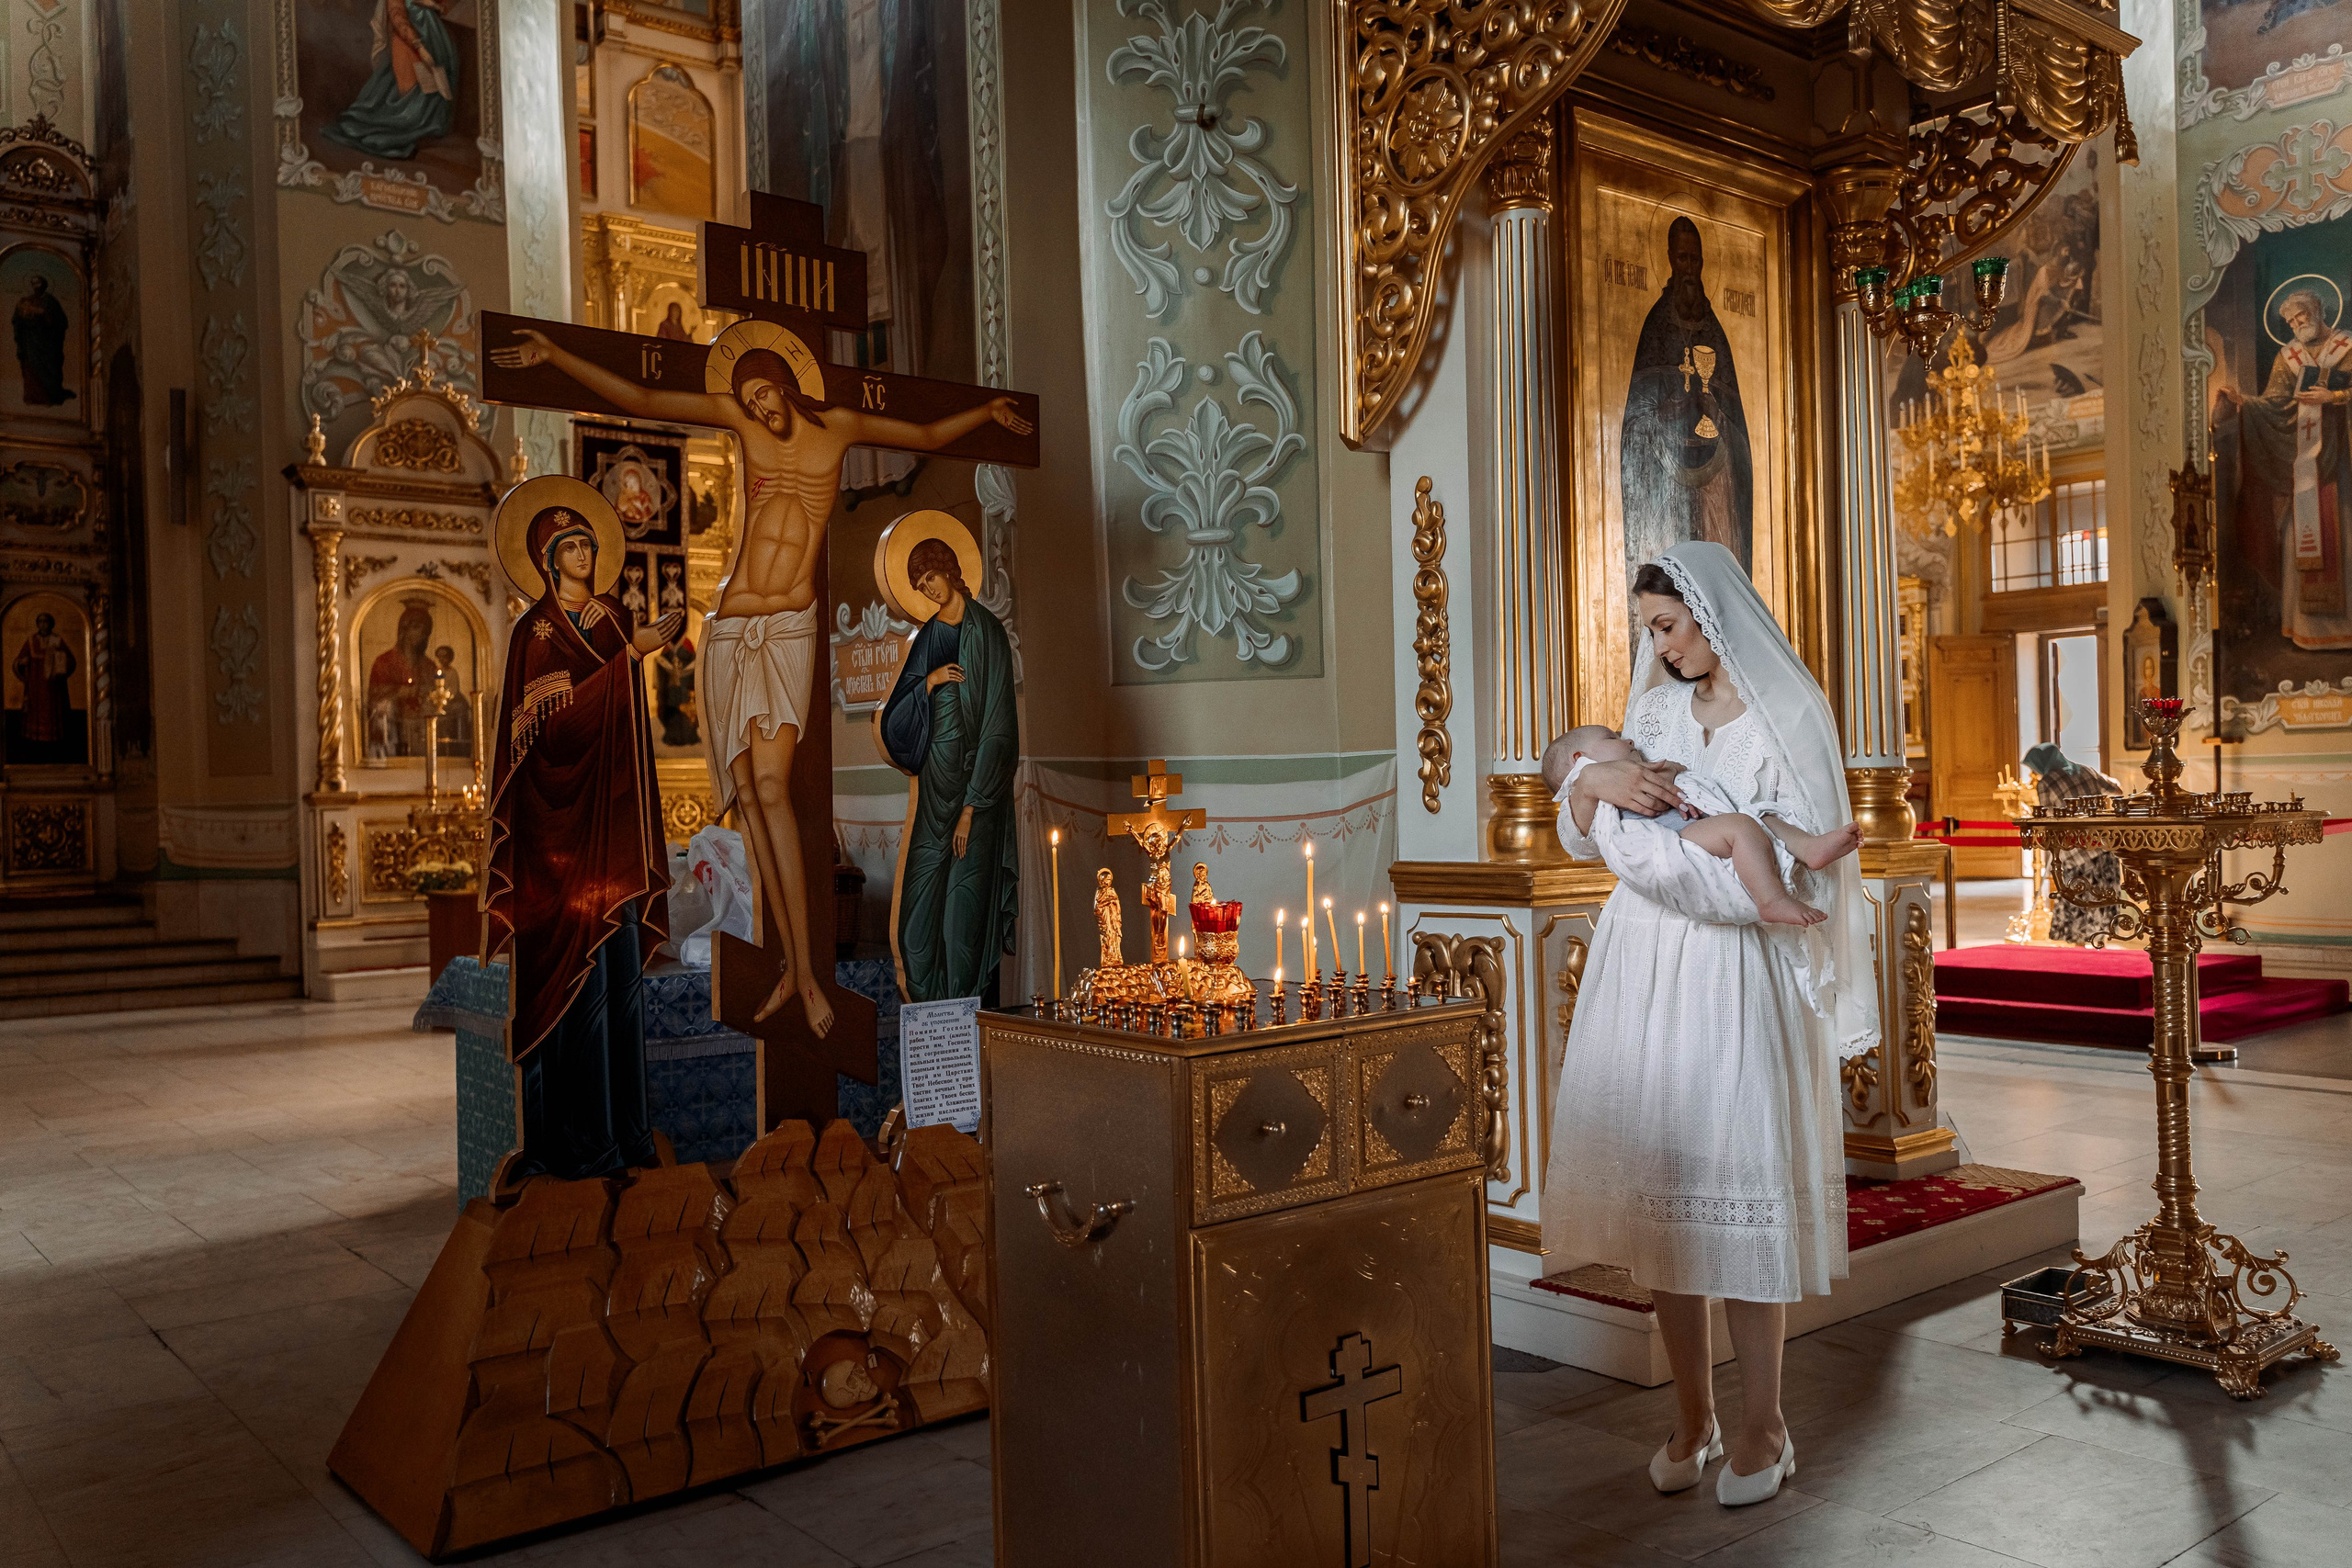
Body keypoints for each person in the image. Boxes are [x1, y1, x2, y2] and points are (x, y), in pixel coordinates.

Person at [490, 321, 1032, 1033]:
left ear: (786, 383)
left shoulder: (835, 426)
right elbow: (645, 395)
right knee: (748, 795)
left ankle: (807, 973)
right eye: (747, 396)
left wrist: (988, 414)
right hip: (733, 625)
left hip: (785, 626)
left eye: (766, 392)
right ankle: (793, 968)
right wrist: (555, 355)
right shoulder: (740, 425)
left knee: (774, 787)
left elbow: (924, 432)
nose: (760, 407)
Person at [1544, 543, 1873, 1507]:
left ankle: (1765, 1423)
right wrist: (1588, 789)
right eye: (1650, 629)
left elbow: (1810, 866)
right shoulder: (1648, 714)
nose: (1659, 647)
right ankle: (1693, 1416)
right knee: (1663, 1199)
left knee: (1739, 1194)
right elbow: (1585, 821)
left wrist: (1713, 879)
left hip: (1737, 976)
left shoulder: (1788, 716)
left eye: (1668, 627)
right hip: (1642, 968)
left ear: (1712, 616)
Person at [482, 495, 684, 1182]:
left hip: (613, 835)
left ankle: (623, 1136)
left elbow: (626, 734)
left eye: (589, 546)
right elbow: (550, 737)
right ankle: (572, 1146)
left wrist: (629, 644)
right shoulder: (533, 635)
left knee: (620, 981)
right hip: (556, 848)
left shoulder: (612, 620)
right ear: (545, 560)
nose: (584, 557)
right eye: (570, 548)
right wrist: (632, 655)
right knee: (573, 990)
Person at [876, 536, 1020, 1002]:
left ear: (951, 570)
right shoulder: (931, 636)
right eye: (919, 584)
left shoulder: (987, 632)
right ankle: (929, 1003)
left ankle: (964, 1011)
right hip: (935, 790)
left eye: (931, 577)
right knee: (916, 915)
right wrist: (928, 683)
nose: (929, 589)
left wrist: (971, 807)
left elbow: (999, 729)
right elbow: (898, 716)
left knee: (964, 908)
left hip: (975, 797)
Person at [1542, 724, 1863, 927]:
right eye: (1611, 738)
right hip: (1673, 841)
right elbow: (1585, 841)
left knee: (1760, 818)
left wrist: (1672, 774)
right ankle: (1771, 899)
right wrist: (1589, 784)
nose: (1627, 740)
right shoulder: (1592, 791)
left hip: (1691, 826)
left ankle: (1809, 847)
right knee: (1741, 827)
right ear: (1580, 759)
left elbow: (1682, 777)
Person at [2211, 287, 2352, 647]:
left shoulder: (2347, 347)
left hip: (2342, 463)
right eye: (2289, 320)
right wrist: (2244, 403)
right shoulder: (2287, 357)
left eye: (2300, 316)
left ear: (2318, 311)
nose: (2295, 324)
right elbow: (2275, 403)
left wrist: (2334, 397)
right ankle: (2308, 630)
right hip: (2306, 468)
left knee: (2345, 535)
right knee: (2300, 536)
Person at [1621, 218, 1752, 570]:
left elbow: (1740, 435)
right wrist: (1664, 413)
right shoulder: (1656, 325)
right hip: (1665, 486)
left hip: (1714, 485)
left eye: (1695, 260)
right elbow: (1633, 423)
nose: (1690, 269)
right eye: (1683, 259)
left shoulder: (1715, 334)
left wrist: (1719, 416)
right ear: (1669, 259)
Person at [321, 0, 460, 162]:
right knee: (409, 97)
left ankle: (427, 128)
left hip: (432, 39)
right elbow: (398, 18)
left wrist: (434, 6)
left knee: (435, 87)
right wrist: (420, 48)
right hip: (411, 45)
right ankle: (399, 131)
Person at [2024, 742, 2124, 945]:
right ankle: (2100, 943)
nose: (2033, 772)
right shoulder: (2086, 770)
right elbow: (2117, 790)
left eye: (2034, 767)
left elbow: (2048, 818)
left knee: (2077, 901)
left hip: (2074, 852)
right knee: (2102, 898)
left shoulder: (2046, 783)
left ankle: (2078, 948)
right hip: (2103, 847)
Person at [366, 601, 435, 756]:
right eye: (416, 628)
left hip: (421, 733)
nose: (420, 634)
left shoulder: (429, 665)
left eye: (425, 631)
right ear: (404, 628)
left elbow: (437, 696)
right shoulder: (383, 662)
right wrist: (397, 692)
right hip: (392, 732)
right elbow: (373, 701)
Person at [11, 610, 74, 746]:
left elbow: (70, 661)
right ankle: (34, 737)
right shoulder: (31, 641)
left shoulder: (57, 640)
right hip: (35, 684)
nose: (43, 625)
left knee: (52, 709)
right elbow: (18, 661)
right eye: (40, 622)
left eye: (46, 622)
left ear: (51, 624)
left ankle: (53, 738)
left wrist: (61, 664)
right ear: (37, 624)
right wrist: (21, 663)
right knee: (35, 709)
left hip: (53, 685)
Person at [11, 275, 71, 406]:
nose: (36, 286)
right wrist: (22, 314)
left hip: (46, 343)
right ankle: (32, 396)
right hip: (29, 341)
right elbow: (17, 319)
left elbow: (60, 321)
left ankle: (48, 397)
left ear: (44, 285)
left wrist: (43, 314)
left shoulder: (50, 301)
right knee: (30, 366)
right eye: (34, 284)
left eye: (38, 283)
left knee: (47, 368)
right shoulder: (27, 300)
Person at [1094, 867, 1124, 968]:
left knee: (1115, 937)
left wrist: (1114, 903)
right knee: (1107, 937)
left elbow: (1117, 905)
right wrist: (1107, 902)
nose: (1108, 882)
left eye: (1110, 880)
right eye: (1106, 880)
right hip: (1105, 919)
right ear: (1102, 880)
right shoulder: (1099, 892)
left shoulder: (1112, 891)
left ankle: (1115, 957)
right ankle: (1108, 958)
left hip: (1113, 919)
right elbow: (1096, 908)